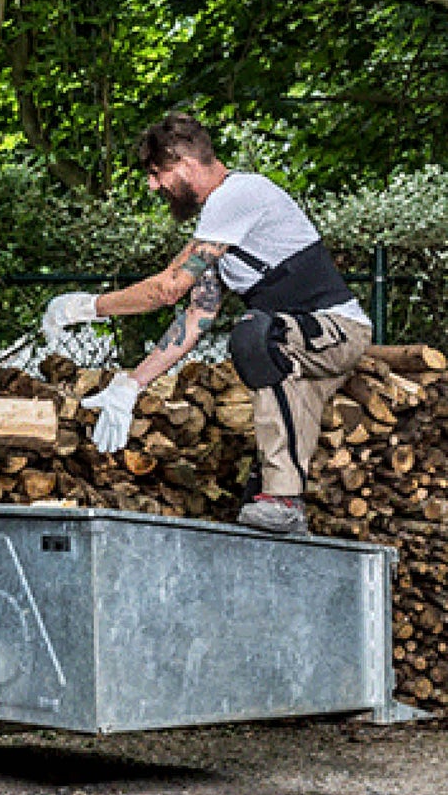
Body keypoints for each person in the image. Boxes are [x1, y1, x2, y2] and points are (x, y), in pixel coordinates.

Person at [42, 112, 371, 536]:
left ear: (185, 163)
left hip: (336, 332)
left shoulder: (238, 195)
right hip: (300, 345)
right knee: (256, 505)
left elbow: (167, 288)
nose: (153, 186)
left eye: (157, 173)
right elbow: (195, 317)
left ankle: (285, 497)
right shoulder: (220, 230)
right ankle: (283, 504)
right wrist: (131, 385)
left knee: (255, 335)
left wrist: (85, 308)